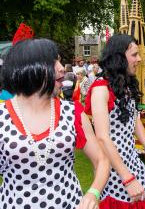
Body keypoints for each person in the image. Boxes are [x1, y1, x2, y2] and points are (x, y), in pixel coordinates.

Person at [0, 38, 110, 209]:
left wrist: (93, 193)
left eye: (59, 60)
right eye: (53, 62)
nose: (61, 68)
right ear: (29, 67)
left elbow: (101, 160)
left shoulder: (72, 112)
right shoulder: (2, 117)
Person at [85, 35, 145, 208]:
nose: (139, 59)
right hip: (114, 167)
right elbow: (102, 137)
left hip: (131, 160)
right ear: (119, 57)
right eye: (134, 54)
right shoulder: (101, 88)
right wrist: (127, 178)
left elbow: (135, 118)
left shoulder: (126, 84)